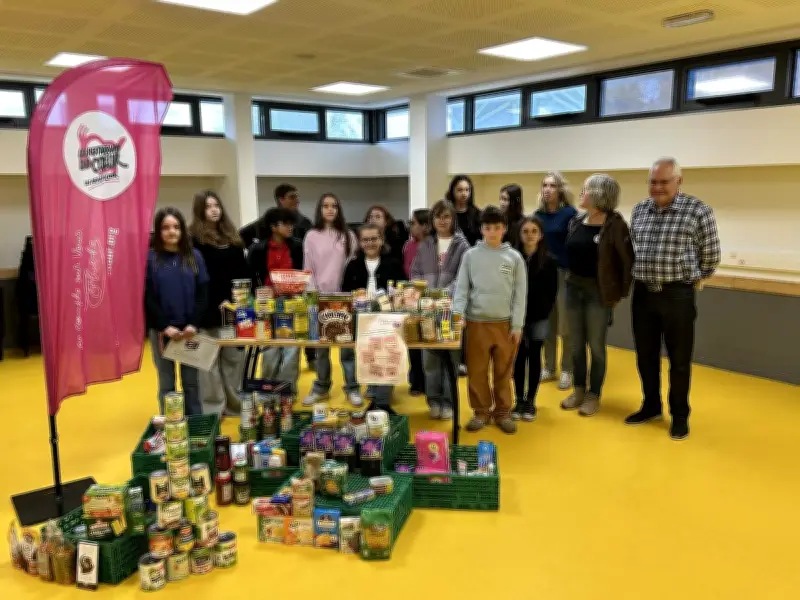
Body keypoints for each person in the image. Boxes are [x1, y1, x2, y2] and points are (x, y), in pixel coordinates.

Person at [626, 157, 721, 440]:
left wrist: (691, 277)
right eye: (653, 182)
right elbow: (633, 248)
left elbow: (711, 256)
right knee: (645, 355)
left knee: (679, 360)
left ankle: (680, 415)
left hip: (677, 294)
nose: (657, 187)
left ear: (679, 181)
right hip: (642, 293)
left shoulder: (698, 211)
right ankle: (651, 405)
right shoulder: (640, 210)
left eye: (664, 181)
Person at [560, 174, 634, 417]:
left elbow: (626, 262)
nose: (581, 193)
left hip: (597, 293)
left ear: (600, 195)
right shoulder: (577, 220)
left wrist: (618, 294)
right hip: (573, 289)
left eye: (586, 190)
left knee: (597, 347)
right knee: (574, 345)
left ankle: (594, 395)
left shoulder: (615, 224)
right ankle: (579, 389)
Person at [453, 206, 527, 434]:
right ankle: (481, 411)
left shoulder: (514, 257)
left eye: (496, 228)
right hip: (476, 323)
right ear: (481, 229)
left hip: (505, 324)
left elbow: (520, 294)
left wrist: (517, 324)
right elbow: (462, 288)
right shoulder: (471, 256)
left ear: (504, 229)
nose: (492, 232)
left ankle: (503, 412)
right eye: (487, 228)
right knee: (476, 371)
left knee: (504, 371)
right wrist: (459, 314)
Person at [189, 190, 251, 416]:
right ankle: (214, 409)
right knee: (208, 364)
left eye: (217, 205)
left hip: (232, 310)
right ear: (200, 211)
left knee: (234, 359)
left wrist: (244, 303)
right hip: (206, 311)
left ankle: (234, 405)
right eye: (208, 206)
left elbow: (244, 274)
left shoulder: (234, 239)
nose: (214, 209)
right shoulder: (193, 241)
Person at [145, 207, 209, 416]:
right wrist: (164, 326)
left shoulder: (194, 257)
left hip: (189, 330)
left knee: (191, 382)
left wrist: (193, 324)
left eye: (176, 227)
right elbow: (147, 298)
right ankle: (171, 428)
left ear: (182, 230)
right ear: (158, 231)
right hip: (163, 332)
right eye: (165, 228)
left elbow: (202, 293)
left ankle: (195, 425)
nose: (171, 232)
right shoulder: (150, 259)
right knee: (166, 382)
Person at [411, 200, 470, 420]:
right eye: (438, 216)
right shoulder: (426, 244)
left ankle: (448, 401)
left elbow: (463, 277)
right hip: (427, 310)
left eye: (446, 216)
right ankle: (433, 399)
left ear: (453, 218)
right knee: (430, 360)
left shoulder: (463, 245)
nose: (442, 221)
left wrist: (444, 294)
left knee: (450, 360)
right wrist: (422, 290)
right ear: (432, 220)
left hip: (451, 310)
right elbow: (415, 272)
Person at [302, 193, 359, 406]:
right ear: (320, 209)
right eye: (325, 205)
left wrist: (351, 296)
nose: (330, 209)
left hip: (344, 299)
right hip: (319, 298)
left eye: (334, 205)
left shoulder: (348, 235)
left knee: (347, 350)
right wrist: (314, 296)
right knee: (321, 350)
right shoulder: (311, 236)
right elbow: (308, 268)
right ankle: (321, 387)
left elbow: (353, 268)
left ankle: (352, 388)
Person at [341, 224, 406, 412]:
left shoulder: (393, 263)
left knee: (385, 355)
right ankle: (363, 386)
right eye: (365, 239)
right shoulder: (352, 265)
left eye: (373, 239)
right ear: (360, 242)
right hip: (360, 318)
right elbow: (346, 293)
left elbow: (400, 291)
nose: (370, 243)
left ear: (381, 240)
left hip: (385, 319)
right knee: (359, 354)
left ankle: (382, 399)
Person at [247, 207, 303, 393]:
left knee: (292, 350)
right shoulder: (258, 249)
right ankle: (268, 390)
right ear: (273, 227)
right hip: (266, 305)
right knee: (269, 349)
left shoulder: (297, 246)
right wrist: (258, 294)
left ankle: (287, 391)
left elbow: (302, 273)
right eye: (286, 224)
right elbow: (250, 277)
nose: (290, 227)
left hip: (291, 303)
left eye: (291, 223)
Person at [535, 171, 578, 390]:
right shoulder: (537, 216)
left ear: (560, 189)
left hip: (564, 274)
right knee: (547, 324)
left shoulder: (570, 214)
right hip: (543, 275)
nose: (547, 189)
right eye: (544, 185)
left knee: (565, 325)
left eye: (552, 185)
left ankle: (567, 370)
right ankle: (549, 367)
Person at [512, 216, 558, 422]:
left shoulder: (549, 261)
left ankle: (531, 400)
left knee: (535, 355)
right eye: (525, 231)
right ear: (519, 235)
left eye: (534, 231)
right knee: (519, 356)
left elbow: (551, 293)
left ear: (540, 235)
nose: (529, 235)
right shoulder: (513, 258)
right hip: (518, 317)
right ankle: (518, 399)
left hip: (538, 316)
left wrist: (541, 313)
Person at [403, 208, 430, 396]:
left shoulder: (433, 245)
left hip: (429, 300)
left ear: (425, 226)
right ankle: (416, 381)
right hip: (411, 299)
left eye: (413, 223)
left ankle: (430, 382)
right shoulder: (408, 245)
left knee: (428, 343)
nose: (410, 226)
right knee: (412, 341)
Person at [239, 183, 312, 249]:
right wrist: (258, 249)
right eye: (292, 197)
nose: (297, 200)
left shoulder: (304, 222)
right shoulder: (269, 219)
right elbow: (242, 234)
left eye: (297, 197)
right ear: (281, 200)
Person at [446, 174, 482, 247]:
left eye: (467, 190)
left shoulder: (477, 214)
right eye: (460, 190)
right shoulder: (446, 212)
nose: (464, 193)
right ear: (452, 191)